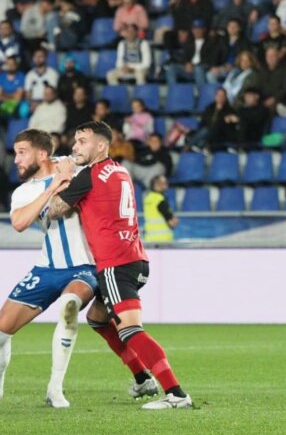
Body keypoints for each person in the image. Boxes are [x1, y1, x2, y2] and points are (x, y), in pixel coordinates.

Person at [47, 121, 192, 410]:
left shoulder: (88, 175)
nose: (75, 146)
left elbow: (53, 210)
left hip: (116, 263)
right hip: (134, 258)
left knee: (130, 330)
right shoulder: (120, 170)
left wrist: (61, 178)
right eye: (75, 140)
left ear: (101, 145)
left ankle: (176, 393)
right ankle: (142, 379)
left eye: (83, 141)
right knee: (98, 319)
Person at [0, 128, 101, 407]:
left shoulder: (73, 166)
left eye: (22, 153)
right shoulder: (24, 192)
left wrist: (68, 166)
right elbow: (19, 223)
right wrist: (52, 186)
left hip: (84, 266)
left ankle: (55, 389)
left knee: (69, 306)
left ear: (43, 153)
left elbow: (93, 156)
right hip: (46, 268)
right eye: (15, 154)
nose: (16, 160)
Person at [143, 174, 178, 244]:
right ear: (156, 184)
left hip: (149, 239)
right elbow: (172, 222)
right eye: (163, 183)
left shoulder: (148, 198)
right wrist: (176, 220)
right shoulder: (161, 200)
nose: (166, 185)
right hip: (163, 241)